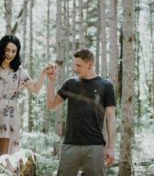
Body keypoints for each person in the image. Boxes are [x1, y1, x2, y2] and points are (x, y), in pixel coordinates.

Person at [46, 48, 116, 176]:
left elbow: (111, 118)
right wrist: (51, 81)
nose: (75, 68)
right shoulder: (70, 83)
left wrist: (111, 147)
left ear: (89, 64)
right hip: (70, 145)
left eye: (78, 65)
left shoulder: (106, 86)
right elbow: (51, 105)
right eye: (74, 64)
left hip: (95, 146)